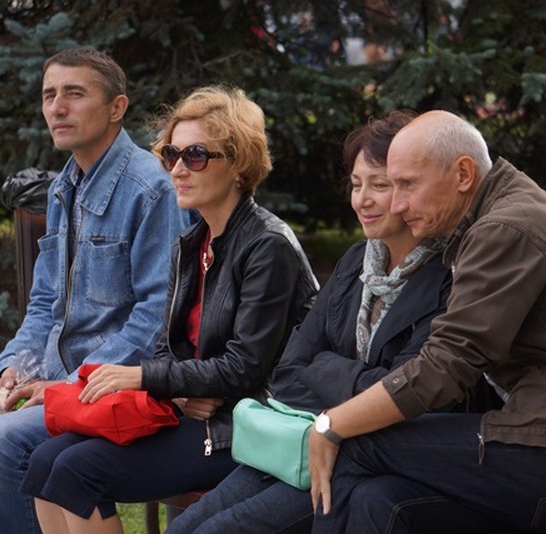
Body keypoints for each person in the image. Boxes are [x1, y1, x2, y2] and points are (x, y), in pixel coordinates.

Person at [308, 110, 546, 533]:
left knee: (357, 442)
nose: (398, 205)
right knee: (381, 500)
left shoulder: (506, 228)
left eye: (408, 185)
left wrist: (330, 424)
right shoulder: (494, 214)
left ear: (463, 174)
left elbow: (445, 367)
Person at [20, 84, 319, 534]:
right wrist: (175, 392)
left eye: (195, 156)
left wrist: (142, 377)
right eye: (170, 154)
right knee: (44, 462)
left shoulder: (267, 246)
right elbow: (167, 345)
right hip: (192, 409)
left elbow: (244, 368)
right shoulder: (194, 241)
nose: (177, 169)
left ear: (238, 165)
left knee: (77, 471)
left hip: (246, 423)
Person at [0, 48, 190, 534]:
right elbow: (44, 300)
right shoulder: (65, 186)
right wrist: (14, 367)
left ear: (117, 107)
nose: (57, 108)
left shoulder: (151, 190)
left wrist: (69, 386)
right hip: (54, 377)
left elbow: (156, 318)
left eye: (74, 94)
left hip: (115, 385)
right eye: (49, 95)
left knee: (0, 441)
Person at [167, 110, 457, 534]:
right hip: (295, 442)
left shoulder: (445, 278)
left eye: (380, 185)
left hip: (359, 461)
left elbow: (406, 393)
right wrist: (354, 386)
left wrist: (327, 370)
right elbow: (289, 370)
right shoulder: (357, 261)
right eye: (356, 184)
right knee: (183, 529)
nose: (362, 200)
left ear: (412, 186)